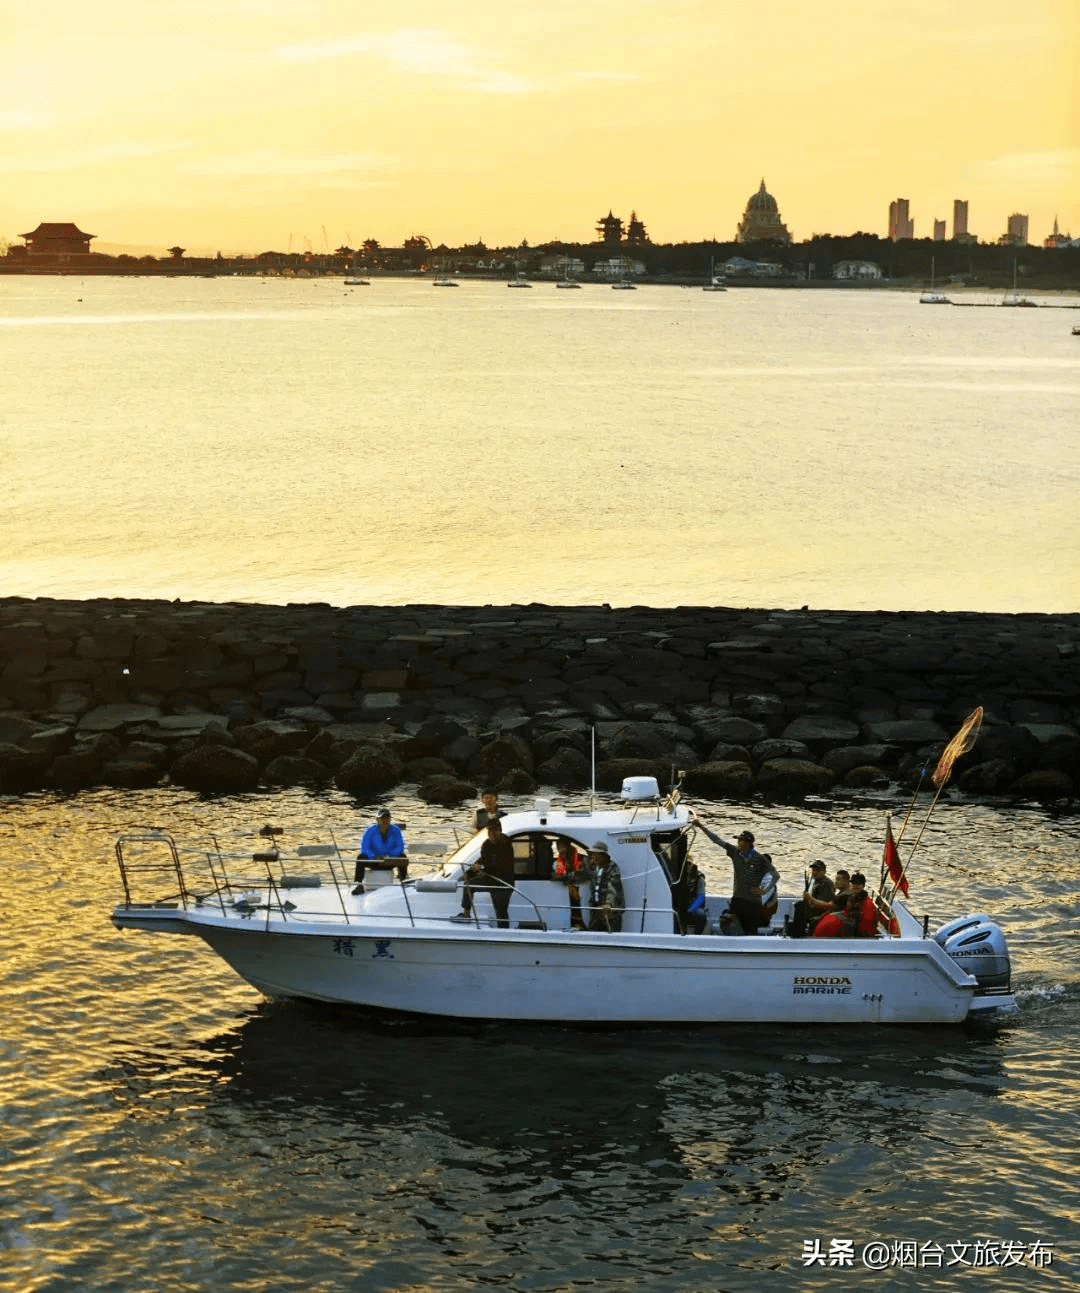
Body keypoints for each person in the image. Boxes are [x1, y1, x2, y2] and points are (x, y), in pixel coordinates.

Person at [693, 821, 779, 933]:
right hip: (737, 900)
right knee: (728, 924)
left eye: (740, 840)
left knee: (750, 933)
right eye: (738, 840)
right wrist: (701, 826)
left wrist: (765, 890)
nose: (738, 842)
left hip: (753, 903)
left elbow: (776, 875)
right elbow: (716, 840)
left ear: (748, 843)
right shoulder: (735, 852)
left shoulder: (760, 859)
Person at [451, 816, 516, 928]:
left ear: (500, 830)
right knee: (468, 884)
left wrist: (481, 867)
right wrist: (469, 873)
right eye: (489, 830)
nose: (492, 833)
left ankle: (504, 933)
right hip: (490, 878)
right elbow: (483, 860)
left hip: (503, 882)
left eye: (495, 830)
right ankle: (466, 914)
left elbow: (501, 866)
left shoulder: (506, 844)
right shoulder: (486, 844)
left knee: (501, 911)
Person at [354, 807, 407, 892]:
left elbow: (400, 847)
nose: (385, 820)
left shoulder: (396, 830)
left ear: (390, 819)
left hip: (389, 861)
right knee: (360, 857)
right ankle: (358, 885)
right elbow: (364, 847)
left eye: (387, 818)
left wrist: (390, 856)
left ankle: (403, 881)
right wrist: (374, 857)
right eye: (382, 818)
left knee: (403, 856)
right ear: (377, 819)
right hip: (374, 861)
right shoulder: (370, 830)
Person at [586, 841, 624, 932]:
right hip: (596, 909)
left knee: (611, 935)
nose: (594, 857)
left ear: (604, 856)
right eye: (593, 854)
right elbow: (581, 875)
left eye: (597, 854)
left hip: (610, 912)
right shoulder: (594, 867)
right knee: (593, 934)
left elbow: (613, 886)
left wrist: (609, 903)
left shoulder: (612, 868)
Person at [790, 860, 835, 938]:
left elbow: (823, 905)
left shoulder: (825, 884)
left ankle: (798, 934)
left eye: (817, 870)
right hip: (813, 911)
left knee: (800, 906)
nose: (814, 872)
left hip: (819, 913)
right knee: (799, 905)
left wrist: (809, 899)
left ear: (824, 871)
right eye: (813, 870)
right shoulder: (817, 882)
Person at [552, 836, 587, 929]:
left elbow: (581, 874)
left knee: (577, 907)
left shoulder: (579, 858)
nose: (559, 849)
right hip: (569, 888)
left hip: (579, 888)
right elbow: (557, 873)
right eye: (558, 847)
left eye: (562, 846)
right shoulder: (560, 860)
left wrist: (562, 876)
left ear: (567, 846)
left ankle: (579, 925)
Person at [847, 872, 880, 938]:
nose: (856, 886)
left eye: (859, 884)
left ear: (863, 886)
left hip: (863, 937)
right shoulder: (852, 897)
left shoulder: (867, 903)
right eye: (854, 883)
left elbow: (867, 926)